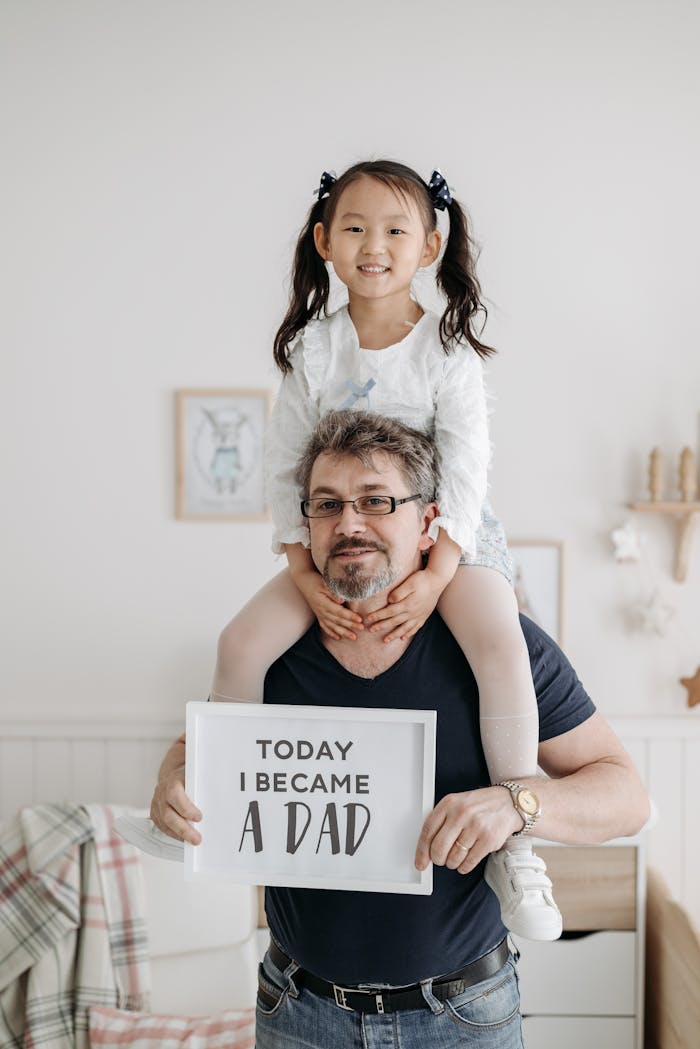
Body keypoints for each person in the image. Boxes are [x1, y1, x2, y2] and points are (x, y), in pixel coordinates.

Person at [151, 411, 650, 1049]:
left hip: (464, 1014)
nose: (349, 523)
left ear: (428, 523)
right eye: (327, 505)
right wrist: (172, 778)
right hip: (297, 1010)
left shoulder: (501, 649)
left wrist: (514, 804)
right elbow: (201, 746)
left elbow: (625, 795)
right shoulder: (272, 652)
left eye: (377, 500)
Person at [212, 159, 559, 940]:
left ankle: (518, 843)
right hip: (335, 544)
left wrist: (440, 574)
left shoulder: (445, 350)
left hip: (448, 538)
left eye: (397, 229)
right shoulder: (314, 349)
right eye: (357, 227)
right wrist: (302, 574)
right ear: (325, 242)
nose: (376, 244)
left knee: (501, 645)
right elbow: (284, 462)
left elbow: (468, 467)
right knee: (239, 642)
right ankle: (226, 810)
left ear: (429, 244)